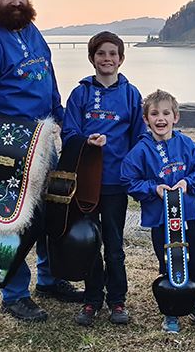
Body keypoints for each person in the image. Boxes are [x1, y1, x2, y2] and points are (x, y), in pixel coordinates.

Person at [0, 0, 83, 322]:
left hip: (43, 140)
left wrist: (60, 116)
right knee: (11, 221)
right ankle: (14, 294)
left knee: (50, 212)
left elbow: (47, 77)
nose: (16, 2)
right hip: (8, 146)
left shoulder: (30, 29)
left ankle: (49, 279)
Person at [62, 31, 147, 325]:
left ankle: (117, 300)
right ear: (92, 58)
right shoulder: (80, 94)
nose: (107, 59)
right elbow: (69, 132)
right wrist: (86, 142)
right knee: (89, 242)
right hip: (86, 182)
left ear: (121, 59)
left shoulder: (131, 95)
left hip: (115, 183)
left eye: (113, 54)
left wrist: (134, 172)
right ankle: (91, 300)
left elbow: (139, 138)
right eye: (101, 53)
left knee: (113, 245)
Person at [120, 89, 195, 334]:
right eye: (154, 114)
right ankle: (171, 308)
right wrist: (154, 189)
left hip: (188, 217)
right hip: (160, 219)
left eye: (166, 113)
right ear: (146, 119)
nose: (160, 118)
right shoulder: (140, 150)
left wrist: (187, 183)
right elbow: (128, 180)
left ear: (176, 117)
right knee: (169, 264)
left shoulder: (187, 145)